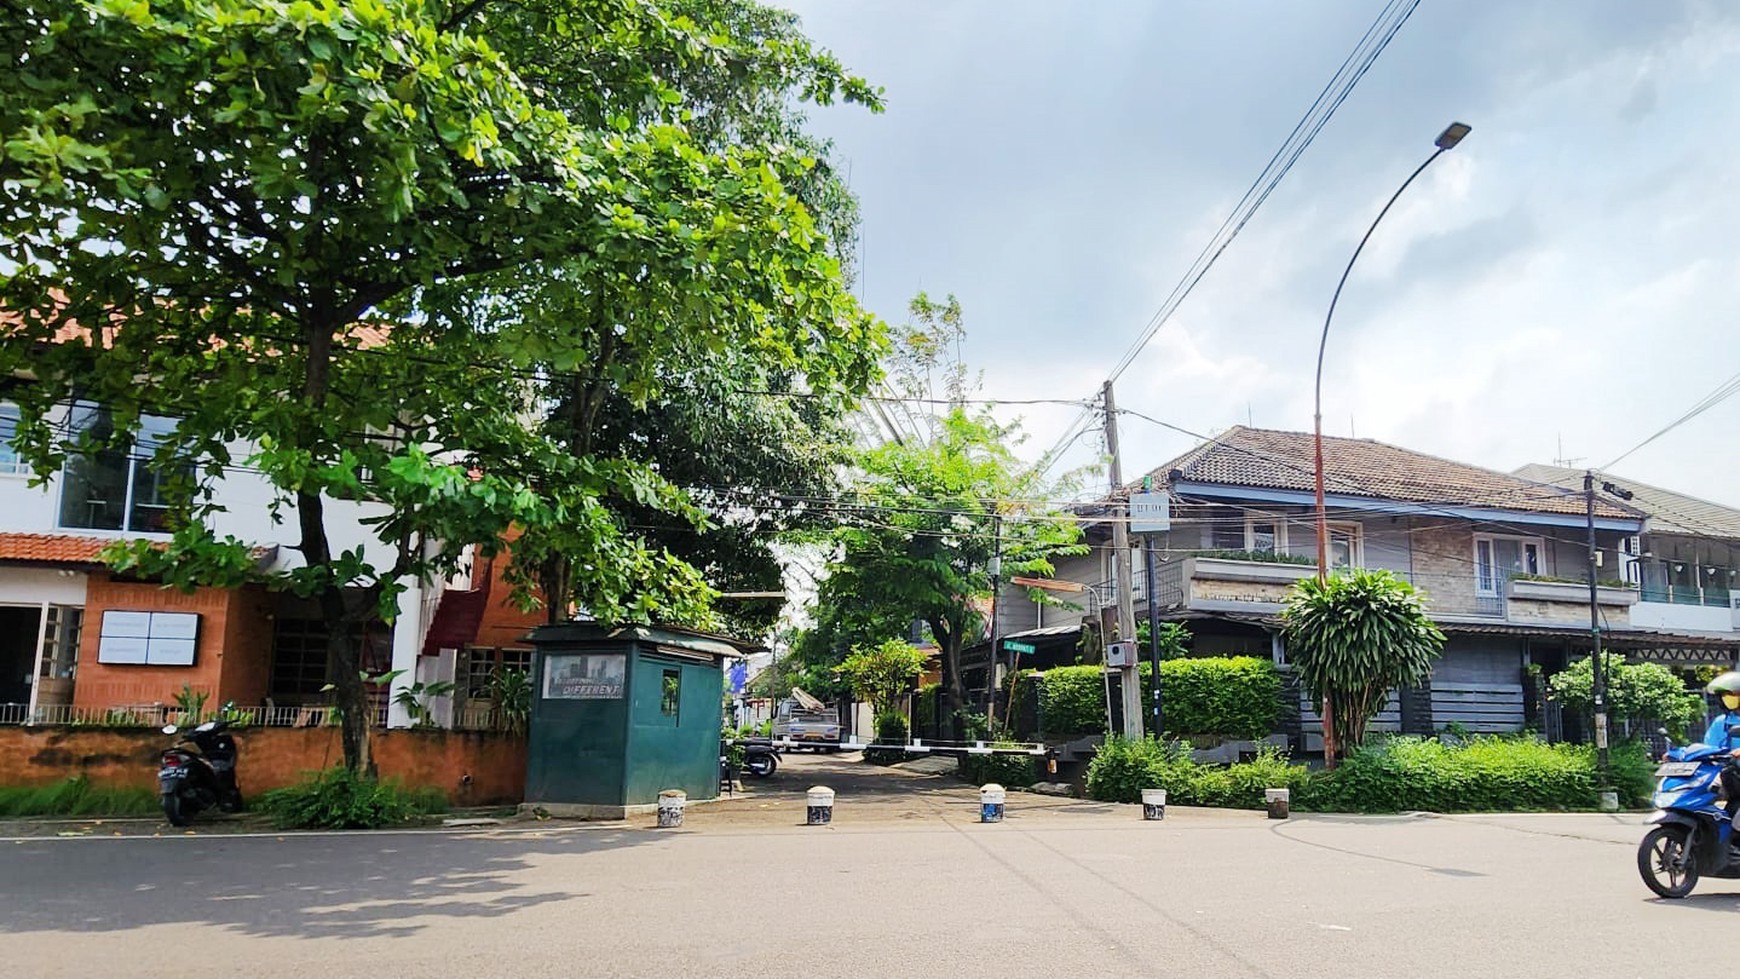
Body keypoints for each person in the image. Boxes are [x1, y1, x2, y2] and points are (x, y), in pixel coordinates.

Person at [1703, 671, 1740, 823]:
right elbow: (1708, 747)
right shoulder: (1721, 722)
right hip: (1729, 774)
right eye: (1726, 697)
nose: (1729, 701)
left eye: (1733, 697)